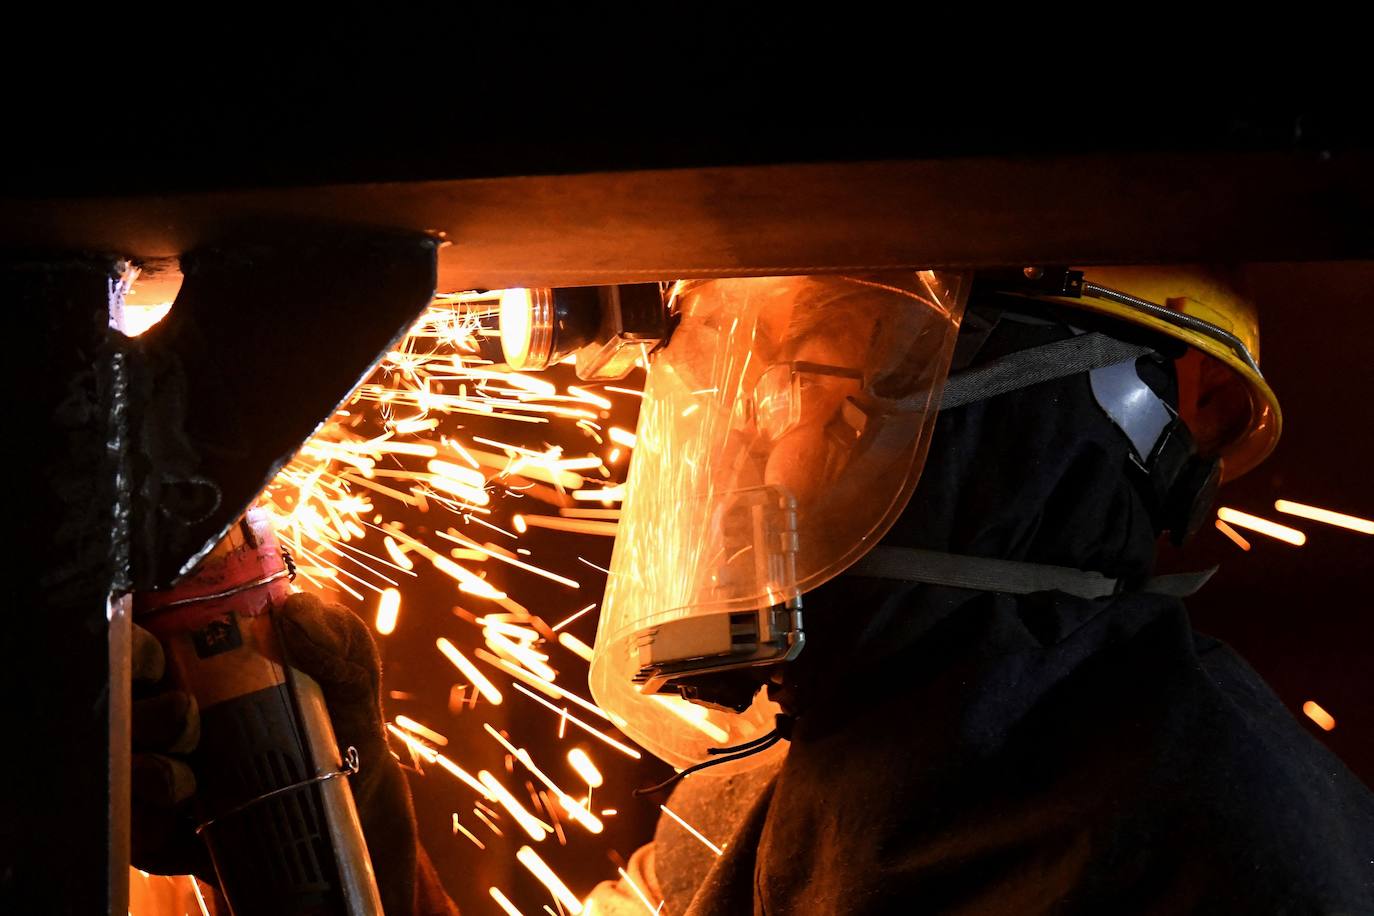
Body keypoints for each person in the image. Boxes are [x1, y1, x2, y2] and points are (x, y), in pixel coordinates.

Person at [585, 268, 1374, 913]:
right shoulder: (750, 804)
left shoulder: (1211, 833)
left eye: (811, 376)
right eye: (755, 395)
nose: (753, 455)